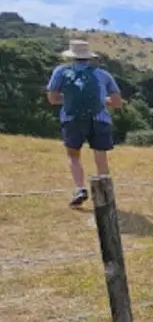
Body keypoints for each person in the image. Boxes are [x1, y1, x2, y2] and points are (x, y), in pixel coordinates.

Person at [47, 39, 123, 208]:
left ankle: (80, 188)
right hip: (100, 119)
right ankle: (105, 196)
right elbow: (117, 103)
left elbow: (52, 99)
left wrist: (69, 100)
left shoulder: (60, 71)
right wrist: (102, 100)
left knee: (74, 156)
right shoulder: (103, 75)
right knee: (101, 158)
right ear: (89, 57)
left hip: (72, 119)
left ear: (71, 56)